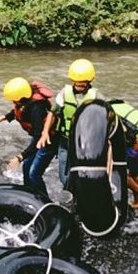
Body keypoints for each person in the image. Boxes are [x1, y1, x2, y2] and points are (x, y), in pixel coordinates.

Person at [37, 58, 104, 188]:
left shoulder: (97, 96)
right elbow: (53, 113)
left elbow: (105, 119)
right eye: (77, 83)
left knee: (85, 174)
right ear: (72, 80)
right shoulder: (64, 93)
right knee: (64, 176)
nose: (79, 86)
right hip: (65, 141)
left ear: (89, 81)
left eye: (82, 84)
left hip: (86, 144)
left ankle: (80, 195)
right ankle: (71, 192)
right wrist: (45, 133)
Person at [0, 77, 57, 198]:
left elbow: (38, 137)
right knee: (26, 167)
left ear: (22, 97)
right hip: (38, 139)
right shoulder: (25, 102)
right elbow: (17, 112)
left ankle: (44, 201)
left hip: (47, 141)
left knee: (33, 174)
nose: (13, 102)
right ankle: (29, 195)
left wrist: (20, 157)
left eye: (14, 100)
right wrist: (2, 118)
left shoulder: (37, 108)